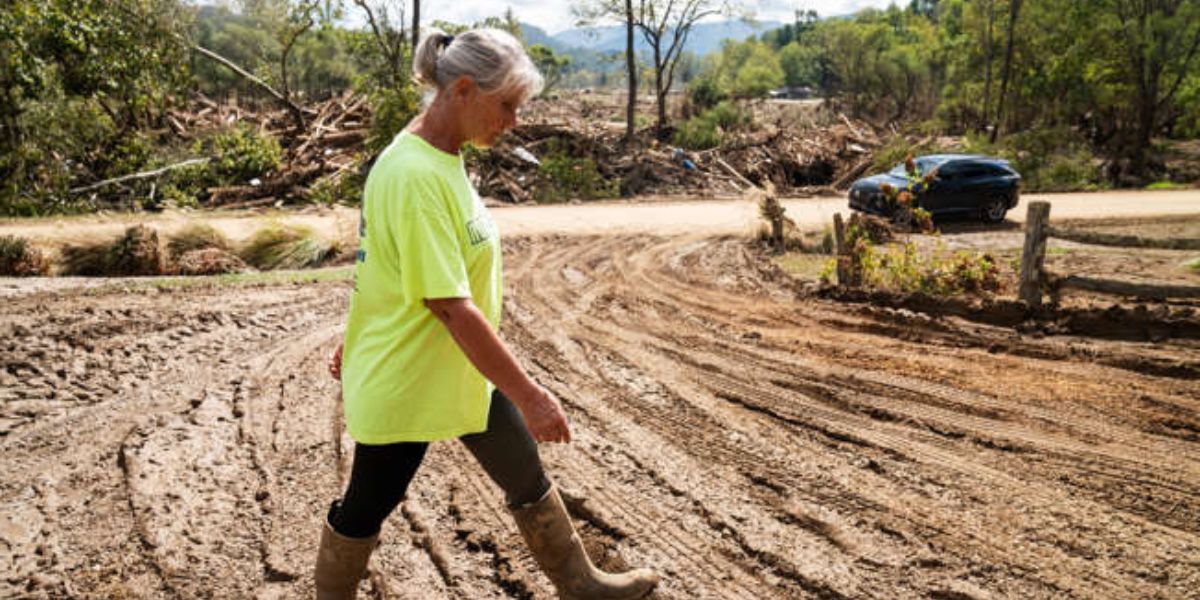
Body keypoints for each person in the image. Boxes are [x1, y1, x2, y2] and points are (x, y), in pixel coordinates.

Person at [314, 28, 659, 600]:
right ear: (464, 90)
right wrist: (530, 394)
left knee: (525, 470)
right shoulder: (415, 174)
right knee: (367, 506)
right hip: (410, 377)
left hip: (454, 369)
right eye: (507, 106)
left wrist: (357, 333)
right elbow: (450, 306)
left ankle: (582, 585)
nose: (514, 122)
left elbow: (386, 266)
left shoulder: (441, 157)